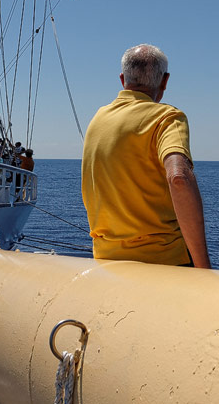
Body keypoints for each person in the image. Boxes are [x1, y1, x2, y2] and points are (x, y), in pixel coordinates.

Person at [81, 44, 210, 268]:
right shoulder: (168, 118)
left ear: (123, 79)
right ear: (165, 81)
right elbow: (178, 177)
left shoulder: (98, 118)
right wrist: (203, 267)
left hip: (107, 261)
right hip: (165, 260)